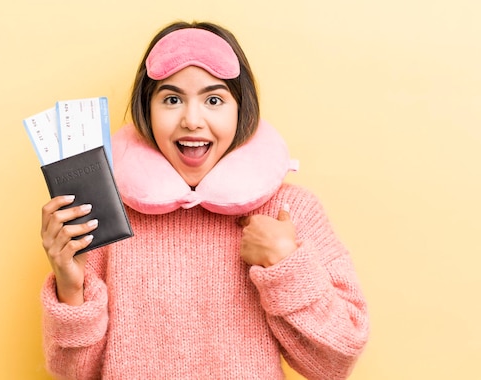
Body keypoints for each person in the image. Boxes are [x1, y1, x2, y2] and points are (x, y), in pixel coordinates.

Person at [39, 20, 369, 380]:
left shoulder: (289, 213)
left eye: (213, 99)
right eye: (171, 99)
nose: (192, 120)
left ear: (241, 110)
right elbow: (73, 375)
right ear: (146, 112)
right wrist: (70, 286)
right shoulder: (104, 214)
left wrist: (284, 265)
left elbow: (337, 359)